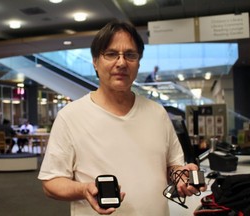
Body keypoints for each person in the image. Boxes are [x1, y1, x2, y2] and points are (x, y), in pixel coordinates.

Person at [38, 20, 206, 216]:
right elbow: (51, 183)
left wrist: (181, 177)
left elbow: (172, 164)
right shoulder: (71, 116)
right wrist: (83, 189)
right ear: (95, 61)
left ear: (138, 62)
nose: (121, 62)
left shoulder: (157, 113)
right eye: (111, 54)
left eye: (130, 55)